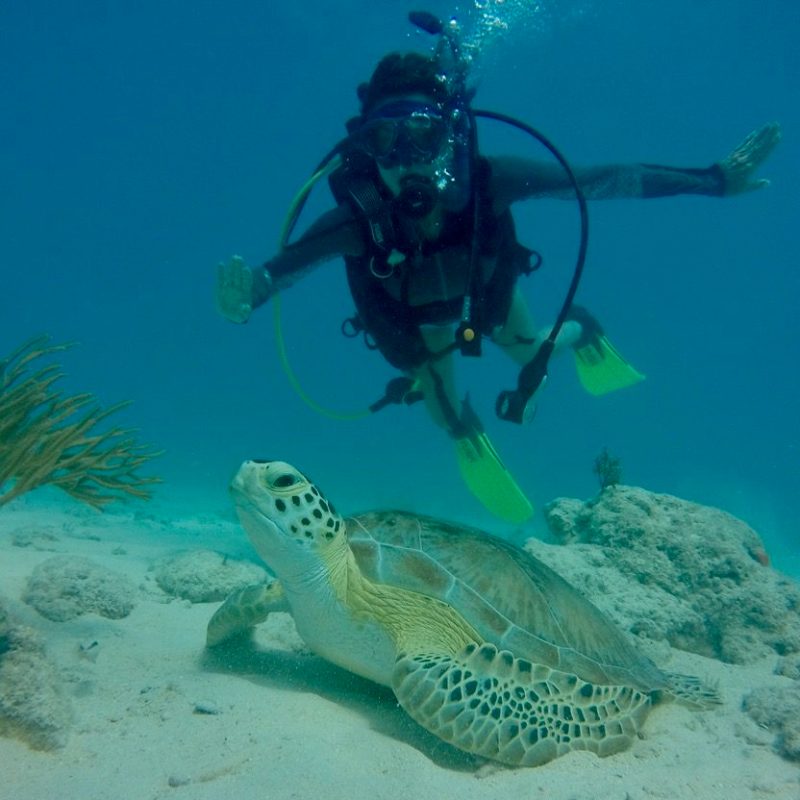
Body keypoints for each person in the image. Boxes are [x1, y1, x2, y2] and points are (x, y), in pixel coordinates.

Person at [216, 48, 780, 522]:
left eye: (421, 136)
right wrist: (248, 296)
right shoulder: (355, 220)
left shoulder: (491, 182)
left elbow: (601, 181)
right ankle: (467, 432)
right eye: (386, 139)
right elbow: (281, 270)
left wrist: (710, 181)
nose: (405, 159)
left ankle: (581, 329)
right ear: (365, 148)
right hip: (416, 324)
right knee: (442, 408)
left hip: (488, 299)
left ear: (447, 138)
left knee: (528, 351)